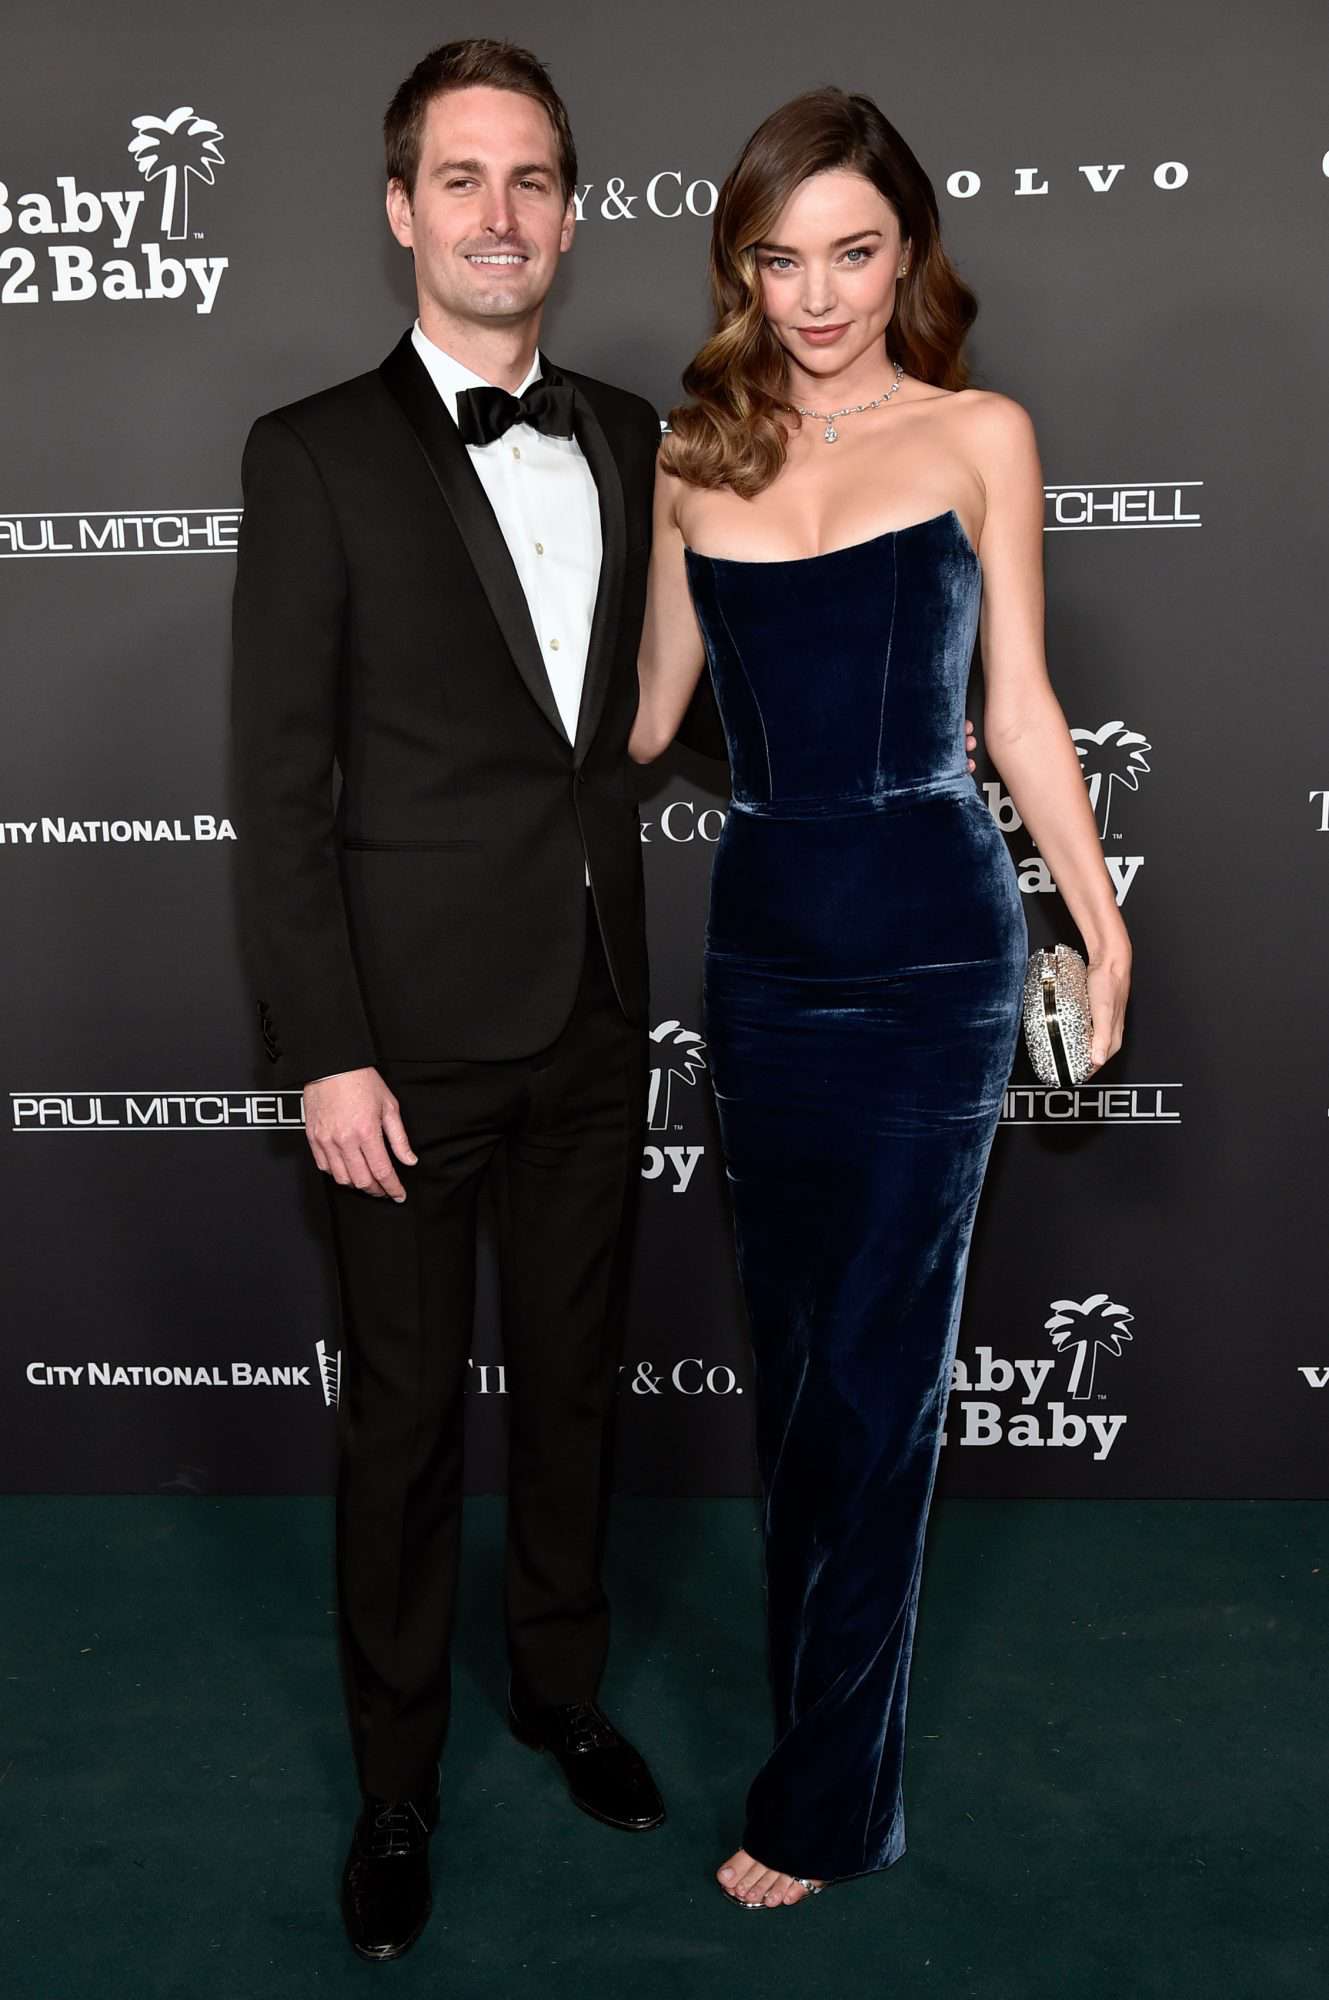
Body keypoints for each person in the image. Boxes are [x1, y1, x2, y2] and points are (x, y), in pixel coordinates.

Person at [630, 86, 1131, 1910]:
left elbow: (1015, 709)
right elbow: (641, 722)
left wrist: (1096, 914)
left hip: (933, 937)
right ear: (741, 266)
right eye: (781, 259)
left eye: (851, 253)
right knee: (797, 1380)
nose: (818, 295)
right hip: (763, 947)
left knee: (880, 1377)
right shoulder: (695, 458)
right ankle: (812, 1736)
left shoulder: (979, 432)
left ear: (905, 250)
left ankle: (829, 1799)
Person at [230, 38, 675, 1965]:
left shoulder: (647, 434)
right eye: (464, 180)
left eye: (535, 181)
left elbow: (661, 714)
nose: (504, 217)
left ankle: (559, 1689)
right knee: (403, 1424)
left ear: (570, 213)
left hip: (593, 1012)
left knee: (573, 1393)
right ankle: (396, 1776)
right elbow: (276, 784)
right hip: (396, 1050)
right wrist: (323, 1045)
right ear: (402, 208)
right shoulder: (312, 448)